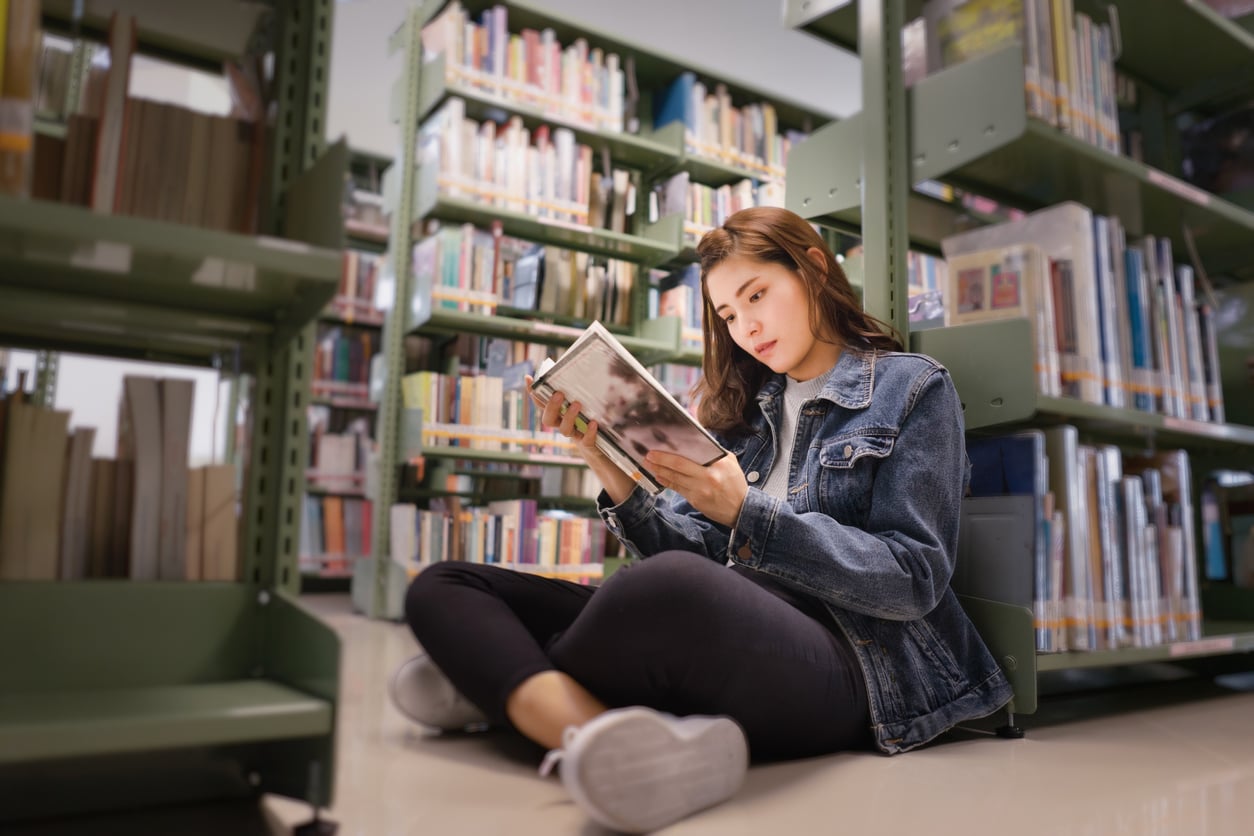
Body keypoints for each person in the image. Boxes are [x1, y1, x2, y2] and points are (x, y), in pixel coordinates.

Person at [392, 206, 1014, 833]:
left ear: (813, 269)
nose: (746, 328)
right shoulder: (741, 412)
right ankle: (579, 726)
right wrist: (610, 468)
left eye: (757, 296)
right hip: (724, 630)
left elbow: (913, 578)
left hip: (855, 660)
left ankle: (504, 683)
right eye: (727, 315)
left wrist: (747, 511)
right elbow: (677, 551)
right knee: (444, 584)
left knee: (659, 592)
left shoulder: (911, 389)